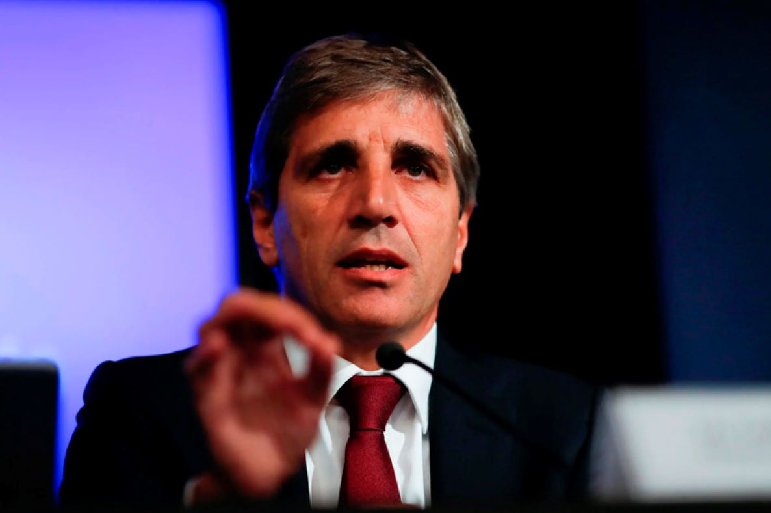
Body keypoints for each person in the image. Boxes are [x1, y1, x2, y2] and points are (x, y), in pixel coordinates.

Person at [58, 33, 601, 510]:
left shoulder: (564, 428)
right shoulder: (141, 412)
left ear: (460, 232)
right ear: (265, 223)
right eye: (333, 165)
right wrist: (229, 498)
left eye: (415, 168)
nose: (375, 204)